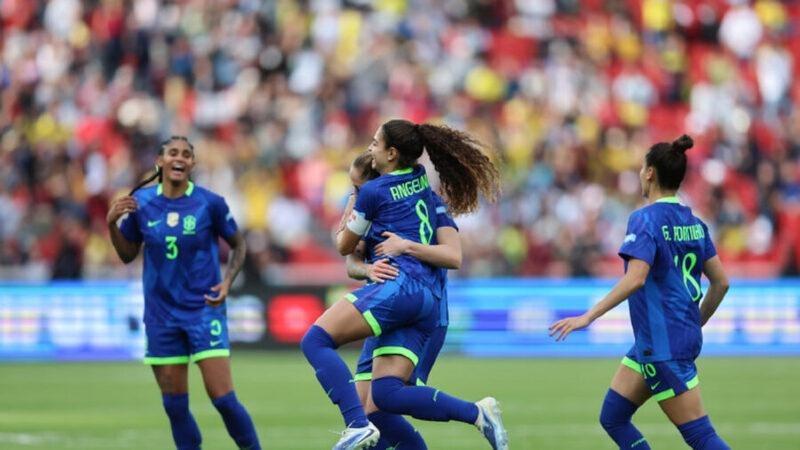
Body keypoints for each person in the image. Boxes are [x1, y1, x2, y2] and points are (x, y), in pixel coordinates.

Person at [300, 119, 507, 450]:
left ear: (390, 155)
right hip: (416, 298)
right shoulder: (420, 186)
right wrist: (367, 271)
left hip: (405, 295)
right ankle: (476, 413)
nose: (371, 146)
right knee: (382, 400)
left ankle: (355, 427)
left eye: (375, 142)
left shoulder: (378, 196)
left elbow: (343, 246)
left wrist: (395, 242)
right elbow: (355, 263)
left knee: (316, 341)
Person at [549, 135, 730, 450]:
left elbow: (635, 279)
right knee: (613, 417)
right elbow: (721, 281)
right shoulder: (696, 224)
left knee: (701, 437)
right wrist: (694, 322)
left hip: (663, 347)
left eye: (641, 168)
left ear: (649, 173)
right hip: (658, 343)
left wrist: (588, 316)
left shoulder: (644, 219)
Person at [107, 136, 261, 450]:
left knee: (224, 399)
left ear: (192, 164)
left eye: (187, 154)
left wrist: (228, 281)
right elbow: (127, 254)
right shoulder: (142, 204)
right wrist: (112, 224)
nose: (180, 158)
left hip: (204, 309)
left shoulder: (210, 203)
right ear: (160, 162)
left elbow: (239, 244)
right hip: (161, 315)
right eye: (173, 153)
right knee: (175, 407)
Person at [344, 152, 462, 449]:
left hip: (424, 311)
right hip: (386, 309)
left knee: (380, 408)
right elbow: (351, 261)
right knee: (365, 413)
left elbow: (453, 256)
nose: (355, 195)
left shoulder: (427, 201)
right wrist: (367, 268)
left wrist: (407, 247)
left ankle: (475, 413)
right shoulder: (368, 206)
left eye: (358, 189)